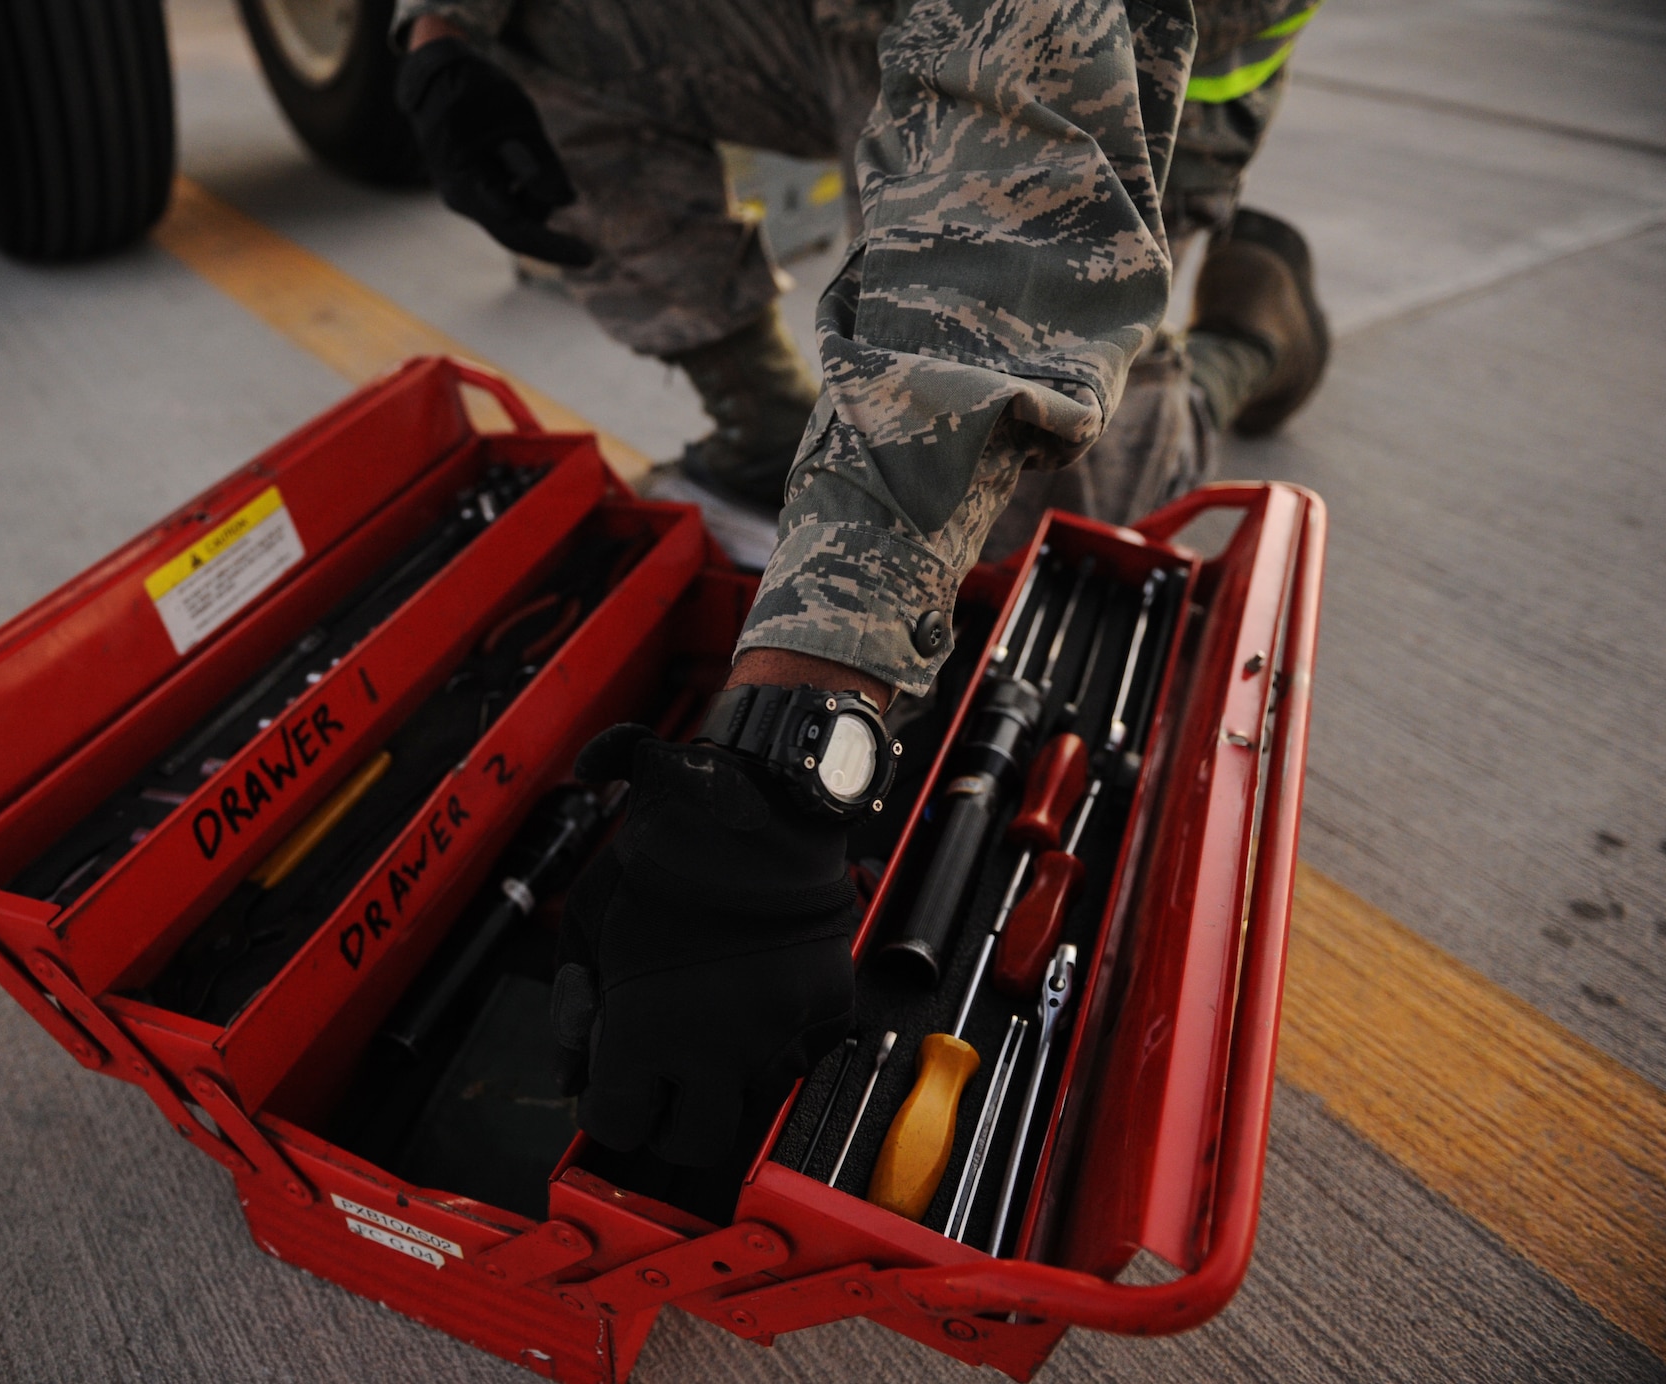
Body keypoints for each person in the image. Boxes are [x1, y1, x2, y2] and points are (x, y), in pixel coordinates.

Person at [392, 0, 1329, 1170]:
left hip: (1116, 54)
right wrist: (436, 29)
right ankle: (770, 428)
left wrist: (791, 752)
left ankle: (1252, 344)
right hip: (863, 20)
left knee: (1034, 489)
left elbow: (997, 233)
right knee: (522, 47)